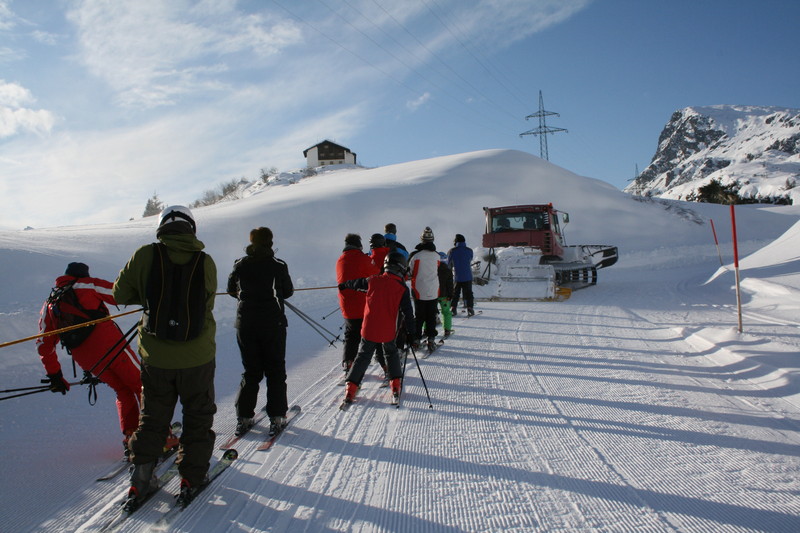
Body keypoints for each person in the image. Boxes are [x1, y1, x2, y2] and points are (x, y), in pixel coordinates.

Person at [113, 205, 218, 510]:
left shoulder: (145, 255)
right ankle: (191, 478)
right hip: (197, 356)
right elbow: (207, 302)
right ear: (191, 229)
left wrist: (147, 296)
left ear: (161, 229)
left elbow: (120, 294)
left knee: (152, 418)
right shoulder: (205, 261)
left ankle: (141, 480)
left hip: (156, 355)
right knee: (197, 416)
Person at [36, 262, 143, 455]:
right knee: (142, 384)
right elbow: (120, 294)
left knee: (122, 389)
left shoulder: (50, 302)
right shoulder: (87, 284)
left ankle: (131, 436)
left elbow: (44, 343)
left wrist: (55, 375)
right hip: (111, 346)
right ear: (82, 275)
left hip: (86, 358)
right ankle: (159, 436)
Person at [227, 227, 294, 437]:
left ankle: (244, 416)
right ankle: (277, 416)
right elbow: (288, 291)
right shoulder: (278, 265)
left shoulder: (240, 264)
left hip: (245, 324)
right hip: (272, 324)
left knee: (251, 371)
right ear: (270, 242)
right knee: (275, 370)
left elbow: (231, 289)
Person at [339, 252, 416, 404]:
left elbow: (357, 283)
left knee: (362, 357)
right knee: (391, 354)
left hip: (368, 330)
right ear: (401, 268)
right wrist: (412, 334)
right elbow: (408, 314)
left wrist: (345, 285)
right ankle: (395, 385)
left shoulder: (372, 280)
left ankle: (351, 388)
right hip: (388, 332)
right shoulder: (402, 288)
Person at [335, 234, 379, 379]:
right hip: (363, 303)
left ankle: (348, 364)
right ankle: (384, 367)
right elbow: (376, 273)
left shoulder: (340, 260)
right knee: (370, 335)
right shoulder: (363, 259)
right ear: (359, 245)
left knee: (351, 336)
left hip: (346, 305)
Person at [408, 227, 441, 349]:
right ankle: (431, 338)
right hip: (433, 289)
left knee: (419, 315)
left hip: (418, 289)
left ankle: (416, 338)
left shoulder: (415, 256)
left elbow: (411, 272)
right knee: (431, 315)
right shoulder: (437, 256)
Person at [448, 234, 475, 316]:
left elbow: (448, 263)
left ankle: (453, 307)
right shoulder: (469, 250)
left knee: (455, 293)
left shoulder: (452, 251)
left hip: (457, 277)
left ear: (455, 242)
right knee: (469, 293)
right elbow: (470, 259)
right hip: (468, 276)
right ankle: (470, 308)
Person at [437, 252, 454, 337]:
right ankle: (447, 329)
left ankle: (426, 330)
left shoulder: (432, 269)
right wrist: (451, 295)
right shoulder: (448, 271)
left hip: (433, 295)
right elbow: (450, 285)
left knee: (429, 313)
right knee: (446, 312)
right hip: (444, 296)